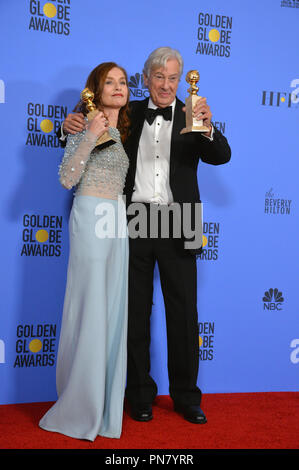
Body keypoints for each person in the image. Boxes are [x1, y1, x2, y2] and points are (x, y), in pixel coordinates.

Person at [60, 47, 231, 425]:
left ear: (180, 80)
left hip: (179, 219)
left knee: (184, 313)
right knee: (134, 312)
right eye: (159, 77)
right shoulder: (130, 112)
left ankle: (187, 397)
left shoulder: (193, 113)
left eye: (173, 78)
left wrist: (209, 126)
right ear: (147, 79)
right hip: (132, 218)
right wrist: (67, 124)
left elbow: (222, 156)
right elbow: (85, 129)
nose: (166, 85)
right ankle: (139, 394)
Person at [39, 62, 130, 441]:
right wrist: (87, 133)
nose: (118, 87)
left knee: (111, 312)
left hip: (118, 221)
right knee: (92, 308)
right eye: (109, 82)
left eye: (123, 82)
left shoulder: (124, 130)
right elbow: (66, 178)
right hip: (91, 215)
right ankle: (81, 407)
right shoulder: (83, 124)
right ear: (95, 88)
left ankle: (106, 409)